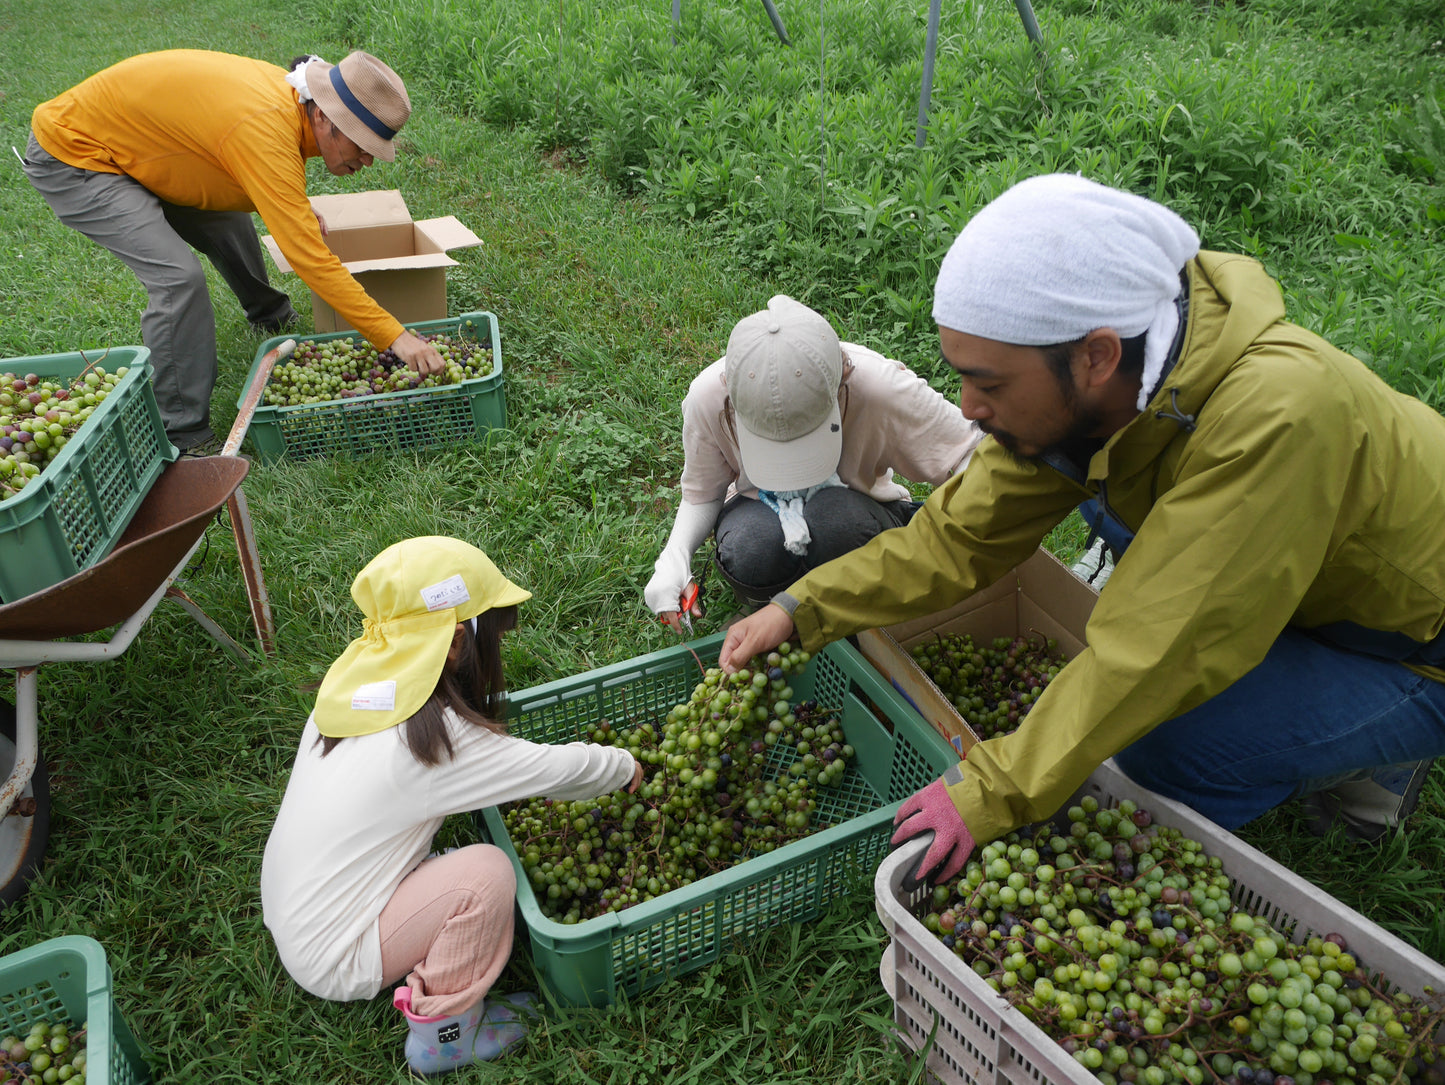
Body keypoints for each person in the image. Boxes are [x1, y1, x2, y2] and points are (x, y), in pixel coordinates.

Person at [717, 173, 1445, 890]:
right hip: (1292, 572)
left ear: (1094, 356)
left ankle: (1371, 763)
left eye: (990, 383)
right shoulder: (1115, 383)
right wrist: (799, 607)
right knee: (1125, 612)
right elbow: (955, 539)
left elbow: (1154, 653)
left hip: (1409, 644)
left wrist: (991, 791)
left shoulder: (1277, 417)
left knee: (1160, 745)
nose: (969, 408)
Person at [261, 536, 643, 1076]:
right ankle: (444, 1037)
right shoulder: (437, 744)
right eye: (497, 635)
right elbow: (558, 773)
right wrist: (624, 767)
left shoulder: (354, 692)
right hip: (331, 954)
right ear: (458, 640)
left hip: (291, 905)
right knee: (484, 876)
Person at [22, 49, 448, 455]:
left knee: (228, 214)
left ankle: (270, 315)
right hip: (77, 153)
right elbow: (310, 260)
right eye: (361, 144)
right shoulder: (265, 128)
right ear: (323, 115)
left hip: (140, 146)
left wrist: (290, 205)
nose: (367, 160)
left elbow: (255, 167)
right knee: (177, 279)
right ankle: (181, 431)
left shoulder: (286, 109)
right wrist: (396, 337)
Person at [644, 294, 982, 628]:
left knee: (834, 520)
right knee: (750, 546)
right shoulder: (708, 399)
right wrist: (675, 556)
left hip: (858, 519)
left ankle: (860, 613)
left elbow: (972, 453)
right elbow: (703, 493)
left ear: (841, 383)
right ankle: (772, 614)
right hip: (759, 514)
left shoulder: (880, 388)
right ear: (731, 399)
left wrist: (946, 538)